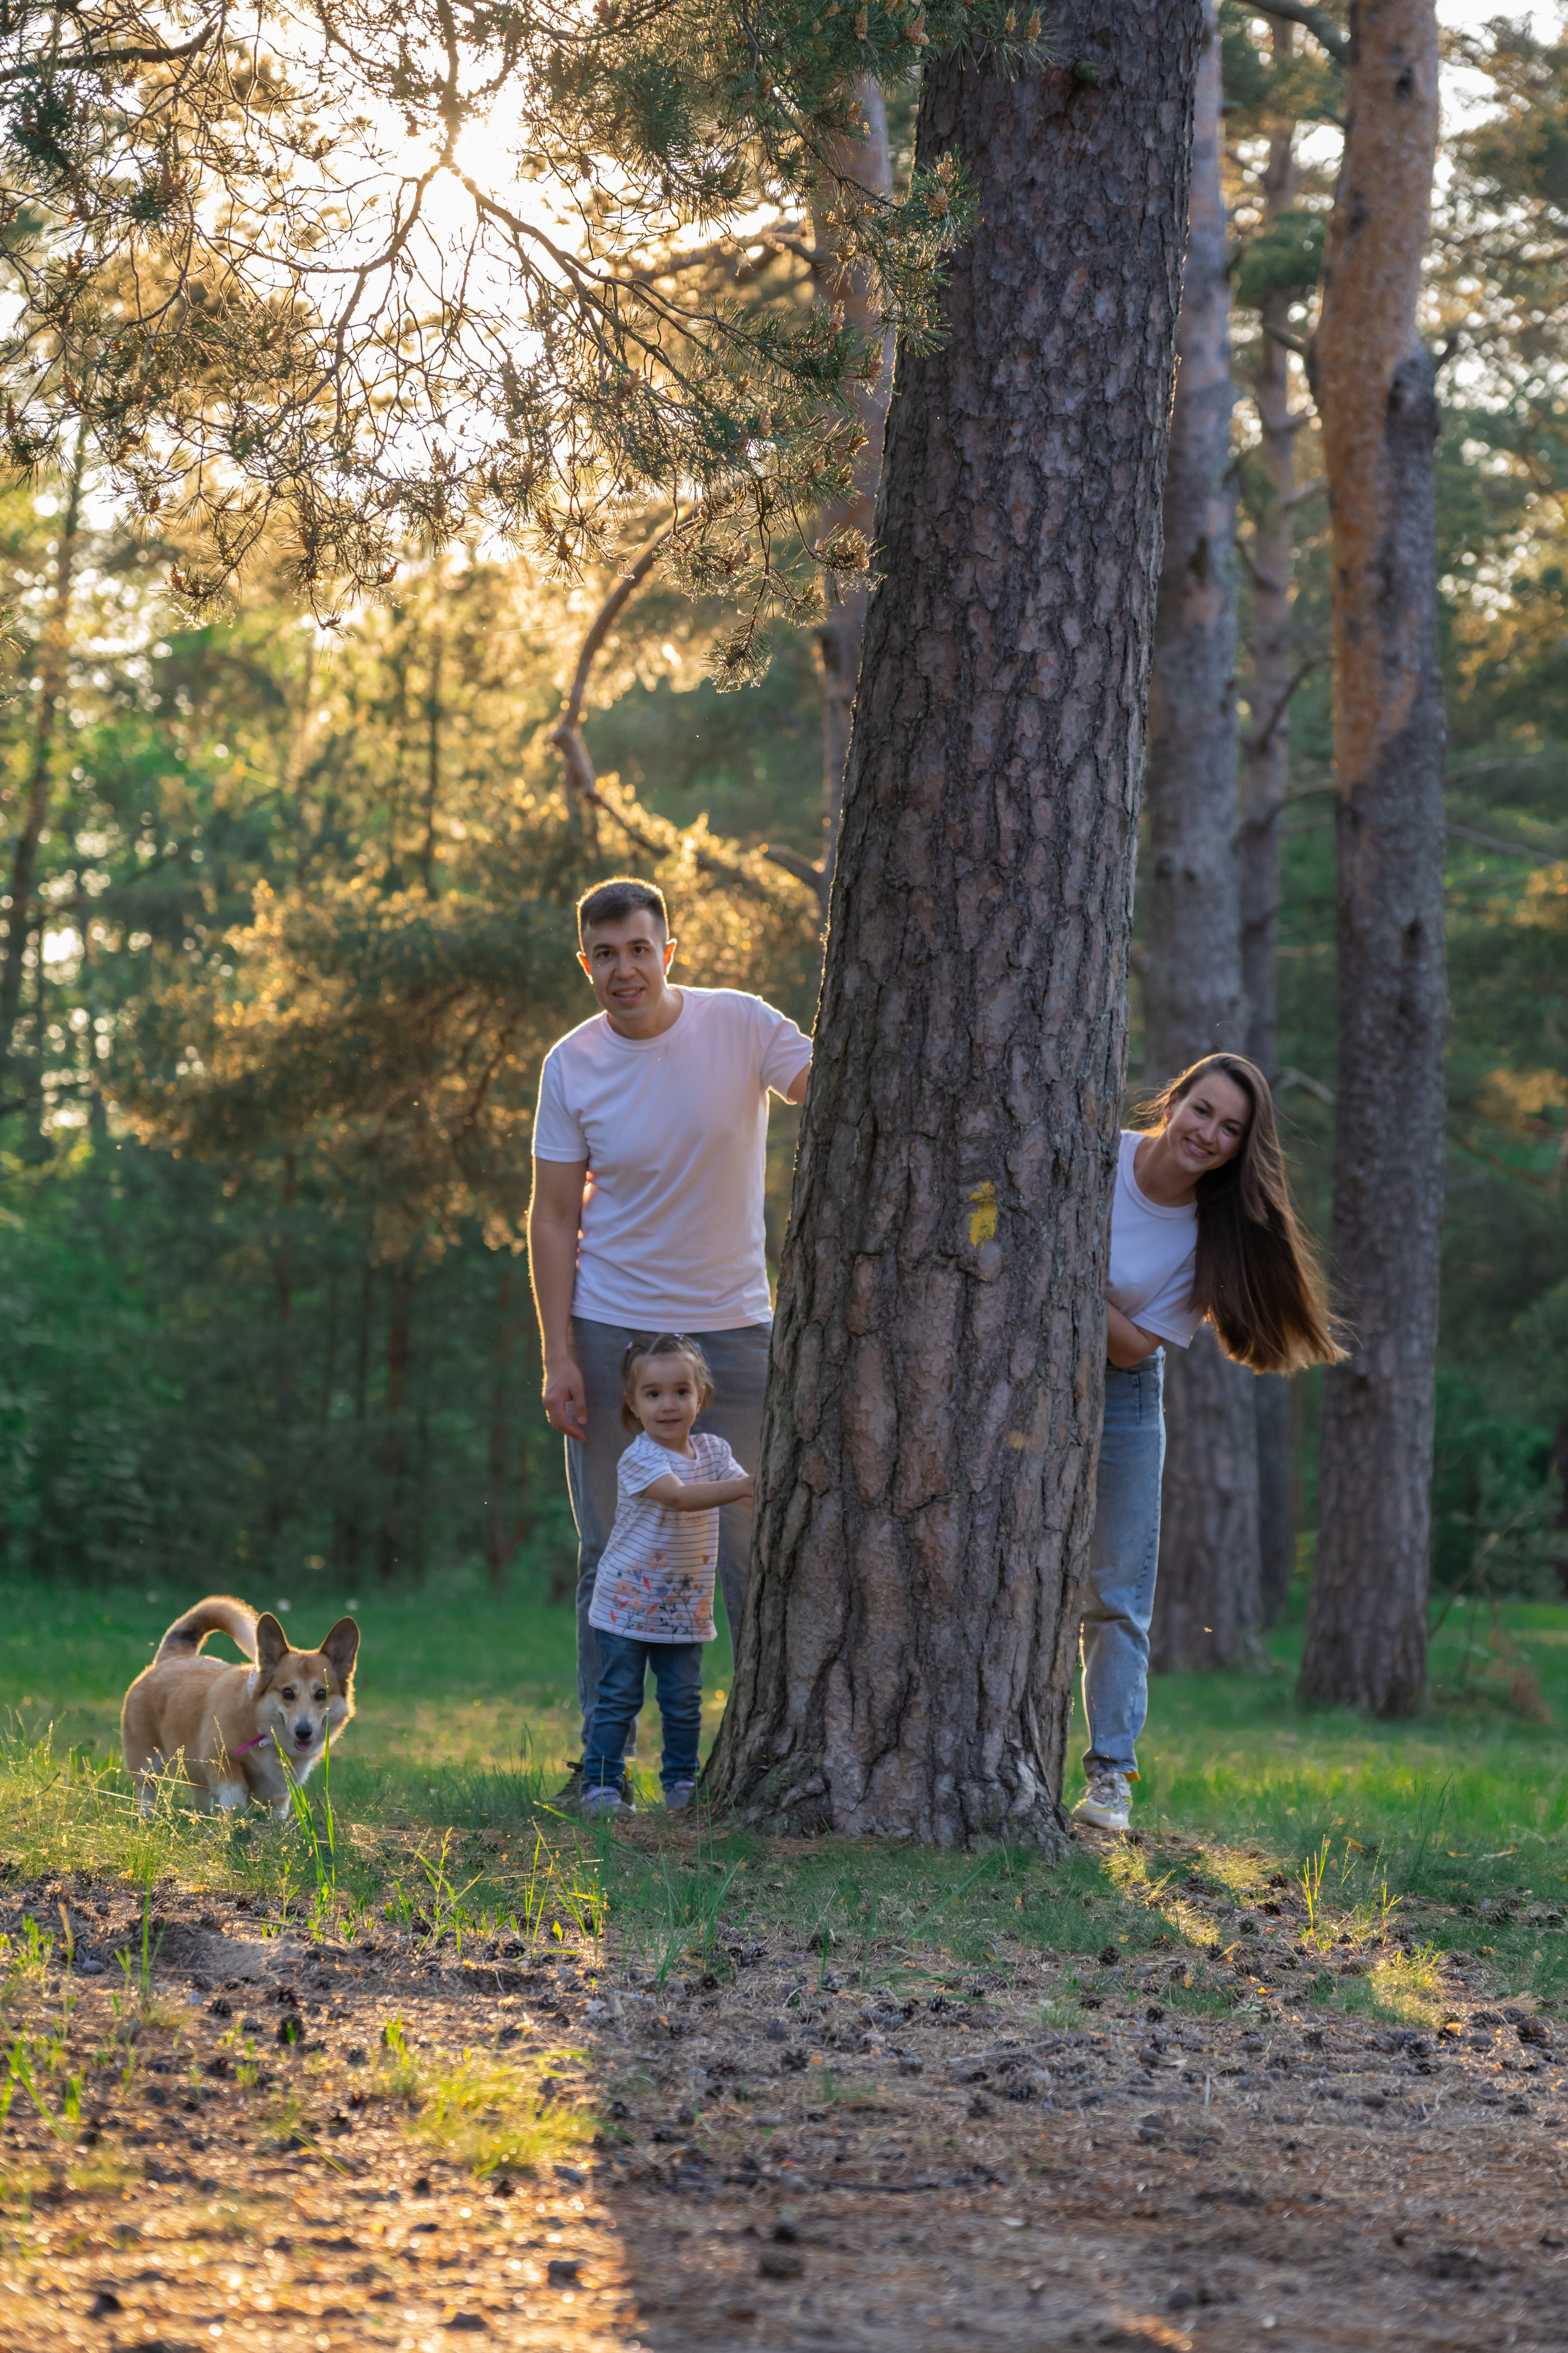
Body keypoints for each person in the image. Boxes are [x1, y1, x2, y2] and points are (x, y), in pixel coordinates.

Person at [528, 875, 812, 1794]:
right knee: (614, 1550)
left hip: (735, 1328)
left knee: (753, 1546)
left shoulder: (743, 1024)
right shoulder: (571, 1064)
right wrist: (560, 1356)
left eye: (640, 948)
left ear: (669, 951)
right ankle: (602, 1764)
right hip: (613, 1327)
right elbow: (551, 1218)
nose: (624, 969)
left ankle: (765, 1762)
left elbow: (835, 1086)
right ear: (586, 964)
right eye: (605, 954)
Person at [1074, 1054, 1343, 1836]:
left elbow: (1127, 1349)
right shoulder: (1099, 1152)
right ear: (1174, 1101)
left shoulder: (1208, 1238)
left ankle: (1111, 1778)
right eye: (1202, 1112)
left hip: (1122, 1397)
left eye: (1230, 1131)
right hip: (1024, 1376)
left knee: (1115, 1594)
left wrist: (1069, 1271)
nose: (1209, 1135)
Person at [579, 1334, 753, 1816]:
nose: (668, 1404)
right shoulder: (642, 1457)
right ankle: (601, 1785)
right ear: (633, 1405)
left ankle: (681, 1782)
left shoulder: (714, 1451)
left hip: (683, 1610)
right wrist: (744, 1485)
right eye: (653, 1394)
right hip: (626, 1605)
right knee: (618, 1699)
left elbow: (745, 1491)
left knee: (683, 1701)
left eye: (682, 1391)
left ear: (703, 1396)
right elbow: (679, 1496)